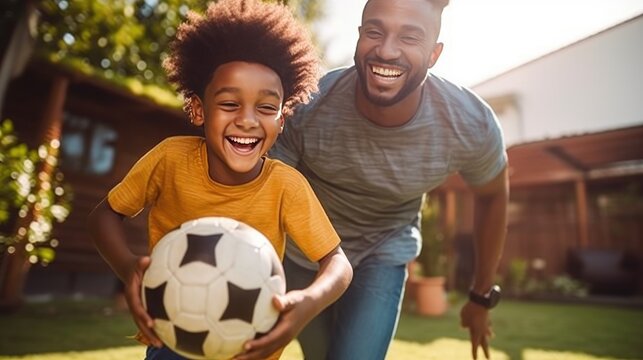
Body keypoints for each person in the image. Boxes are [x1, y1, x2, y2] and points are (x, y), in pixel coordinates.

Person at [87, 1, 353, 359]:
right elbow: (104, 215)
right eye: (230, 104)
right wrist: (127, 266)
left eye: (265, 107)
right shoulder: (170, 158)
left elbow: (337, 262)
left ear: (281, 120)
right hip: (172, 341)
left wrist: (308, 302)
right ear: (199, 109)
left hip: (252, 348)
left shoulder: (285, 185)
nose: (247, 120)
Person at [268, 0, 509, 359]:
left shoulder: (469, 124)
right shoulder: (306, 104)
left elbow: (492, 196)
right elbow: (265, 194)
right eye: (374, 32)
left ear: (433, 54)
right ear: (359, 36)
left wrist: (481, 295)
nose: (386, 50)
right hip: (305, 256)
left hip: (382, 250)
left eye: (410, 37)